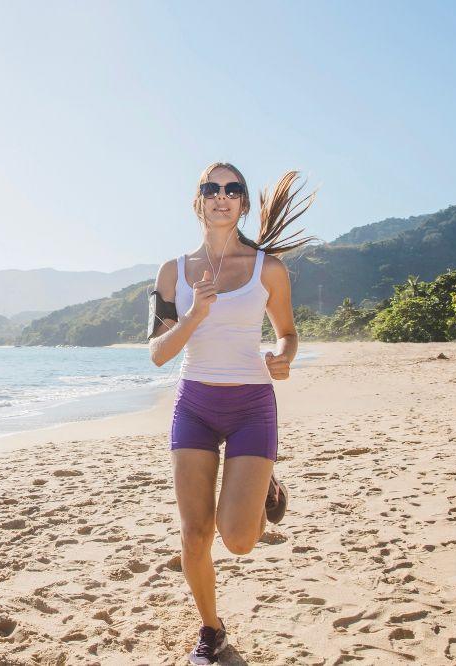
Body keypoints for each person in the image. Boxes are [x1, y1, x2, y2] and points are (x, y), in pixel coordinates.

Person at [147, 162, 318, 664]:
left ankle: (264, 485)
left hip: (251, 406)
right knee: (195, 533)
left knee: (240, 540)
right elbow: (158, 353)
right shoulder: (172, 272)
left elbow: (287, 332)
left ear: (243, 203)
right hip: (194, 406)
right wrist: (195, 314)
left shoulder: (269, 268)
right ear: (197, 200)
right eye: (211, 187)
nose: (221, 195)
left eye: (232, 188)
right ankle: (211, 629)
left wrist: (284, 356)